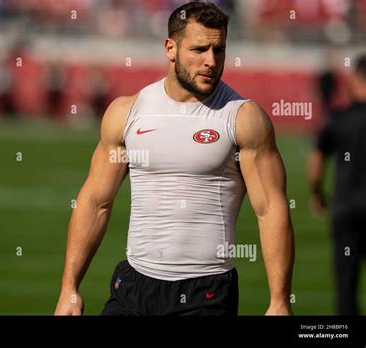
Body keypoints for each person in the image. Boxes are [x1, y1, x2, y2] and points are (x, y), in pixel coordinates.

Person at [55, 1, 294, 316]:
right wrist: (69, 288)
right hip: (132, 288)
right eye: (199, 50)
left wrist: (279, 301)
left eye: (218, 50)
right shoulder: (127, 112)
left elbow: (270, 210)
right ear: (170, 48)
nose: (211, 61)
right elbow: (95, 202)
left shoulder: (242, 117)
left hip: (205, 293)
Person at [308, 54, 366, 315]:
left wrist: (317, 193)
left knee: (346, 287)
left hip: (345, 212)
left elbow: (317, 157)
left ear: (356, 78)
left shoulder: (339, 118)